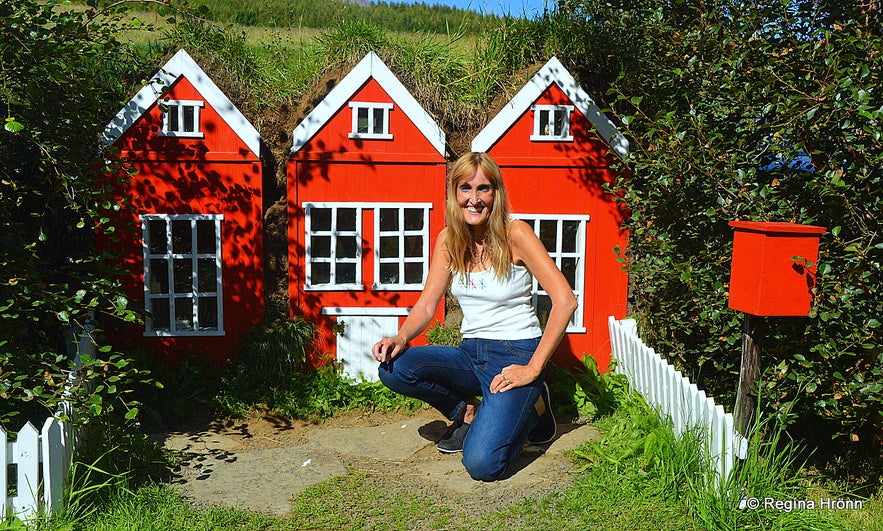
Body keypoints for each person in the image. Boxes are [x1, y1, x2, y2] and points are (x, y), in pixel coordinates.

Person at [372, 152, 578, 481]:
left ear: (496, 193)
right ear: (455, 193)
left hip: (516, 352)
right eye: (466, 188)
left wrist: (532, 368)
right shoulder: (448, 240)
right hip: (471, 353)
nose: (474, 198)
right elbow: (427, 305)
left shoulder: (516, 235)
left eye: (484, 189)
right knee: (394, 368)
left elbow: (565, 300)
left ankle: (534, 401)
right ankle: (467, 412)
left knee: (482, 465)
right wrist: (400, 338)